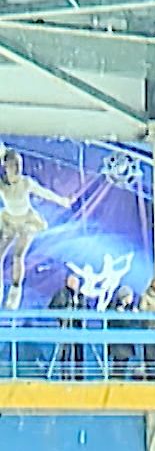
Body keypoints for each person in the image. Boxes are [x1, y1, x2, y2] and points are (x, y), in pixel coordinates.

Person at [0, 148, 72, 310]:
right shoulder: (3, 185)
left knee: (18, 255)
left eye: (18, 165)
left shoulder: (26, 183)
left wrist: (63, 201)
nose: (16, 169)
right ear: (6, 167)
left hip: (27, 220)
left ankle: (14, 295)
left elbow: (45, 193)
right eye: (13, 165)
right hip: (9, 220)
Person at [47, 272, 87, 380]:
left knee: (79, 353)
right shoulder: (61, 294)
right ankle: (65, 376)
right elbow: (52, 308)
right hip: (65, 327)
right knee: (65, 353)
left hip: (78, 327)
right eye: (71, 281)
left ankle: (79, 377)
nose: (73, 284)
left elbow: (84, 309)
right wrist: (62, 315)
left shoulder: (81, 296)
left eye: (75, 282)